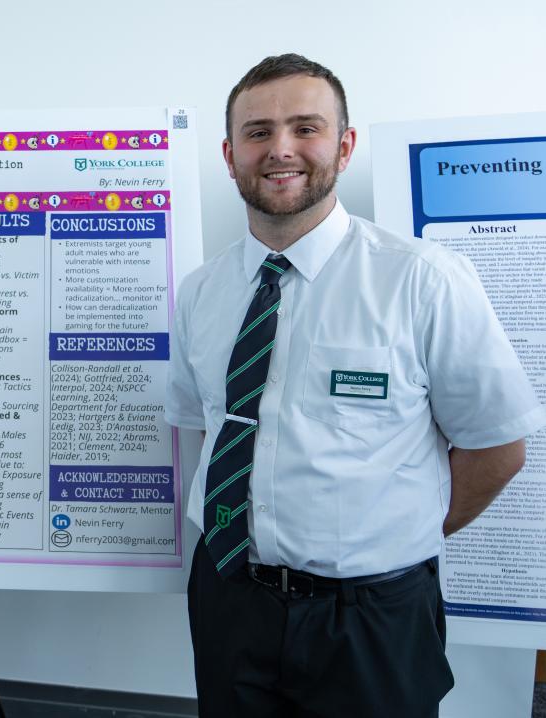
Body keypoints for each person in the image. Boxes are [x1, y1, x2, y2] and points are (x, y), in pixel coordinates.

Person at [165, 53, 546, 718]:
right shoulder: (200, 291)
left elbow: (495, 447)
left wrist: (395, 536)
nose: (279, 149)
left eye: (303, 128)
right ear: (229, 155)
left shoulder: (422, 279)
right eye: (257, 133)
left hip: (370, 615)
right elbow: (201, 427)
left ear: (343, 146)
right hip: (228, 597)